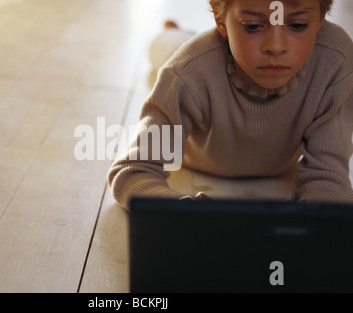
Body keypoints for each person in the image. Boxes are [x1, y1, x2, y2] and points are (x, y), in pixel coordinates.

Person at [108, 0, 353, 209]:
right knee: (166, 46)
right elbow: (133, 171)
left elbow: (329, 178)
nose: (276, 47)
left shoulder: (336, 61)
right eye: (254, 26)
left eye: (297, 25)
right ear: (220, 19)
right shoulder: (187, 72)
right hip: (195, 59)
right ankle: (173, 32)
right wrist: (186, 215)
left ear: (321, 18)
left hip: (224, 50)